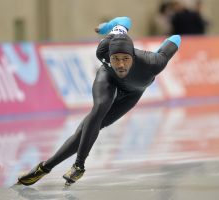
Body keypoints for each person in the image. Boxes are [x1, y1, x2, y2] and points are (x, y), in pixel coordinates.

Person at [16, 16, 181, 186]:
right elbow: (124, 22)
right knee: (98, 110)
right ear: (109, 56)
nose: (121, 65)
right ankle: (78, 167)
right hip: (108, 78)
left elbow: (173, 37)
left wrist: (107, 27)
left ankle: (44, 168)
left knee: (87, 130)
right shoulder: (102, 50)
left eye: (125, 59)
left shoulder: (153, 63)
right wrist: (108, 30)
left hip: (133, 92)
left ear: (133, 56)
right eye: (115, 59)